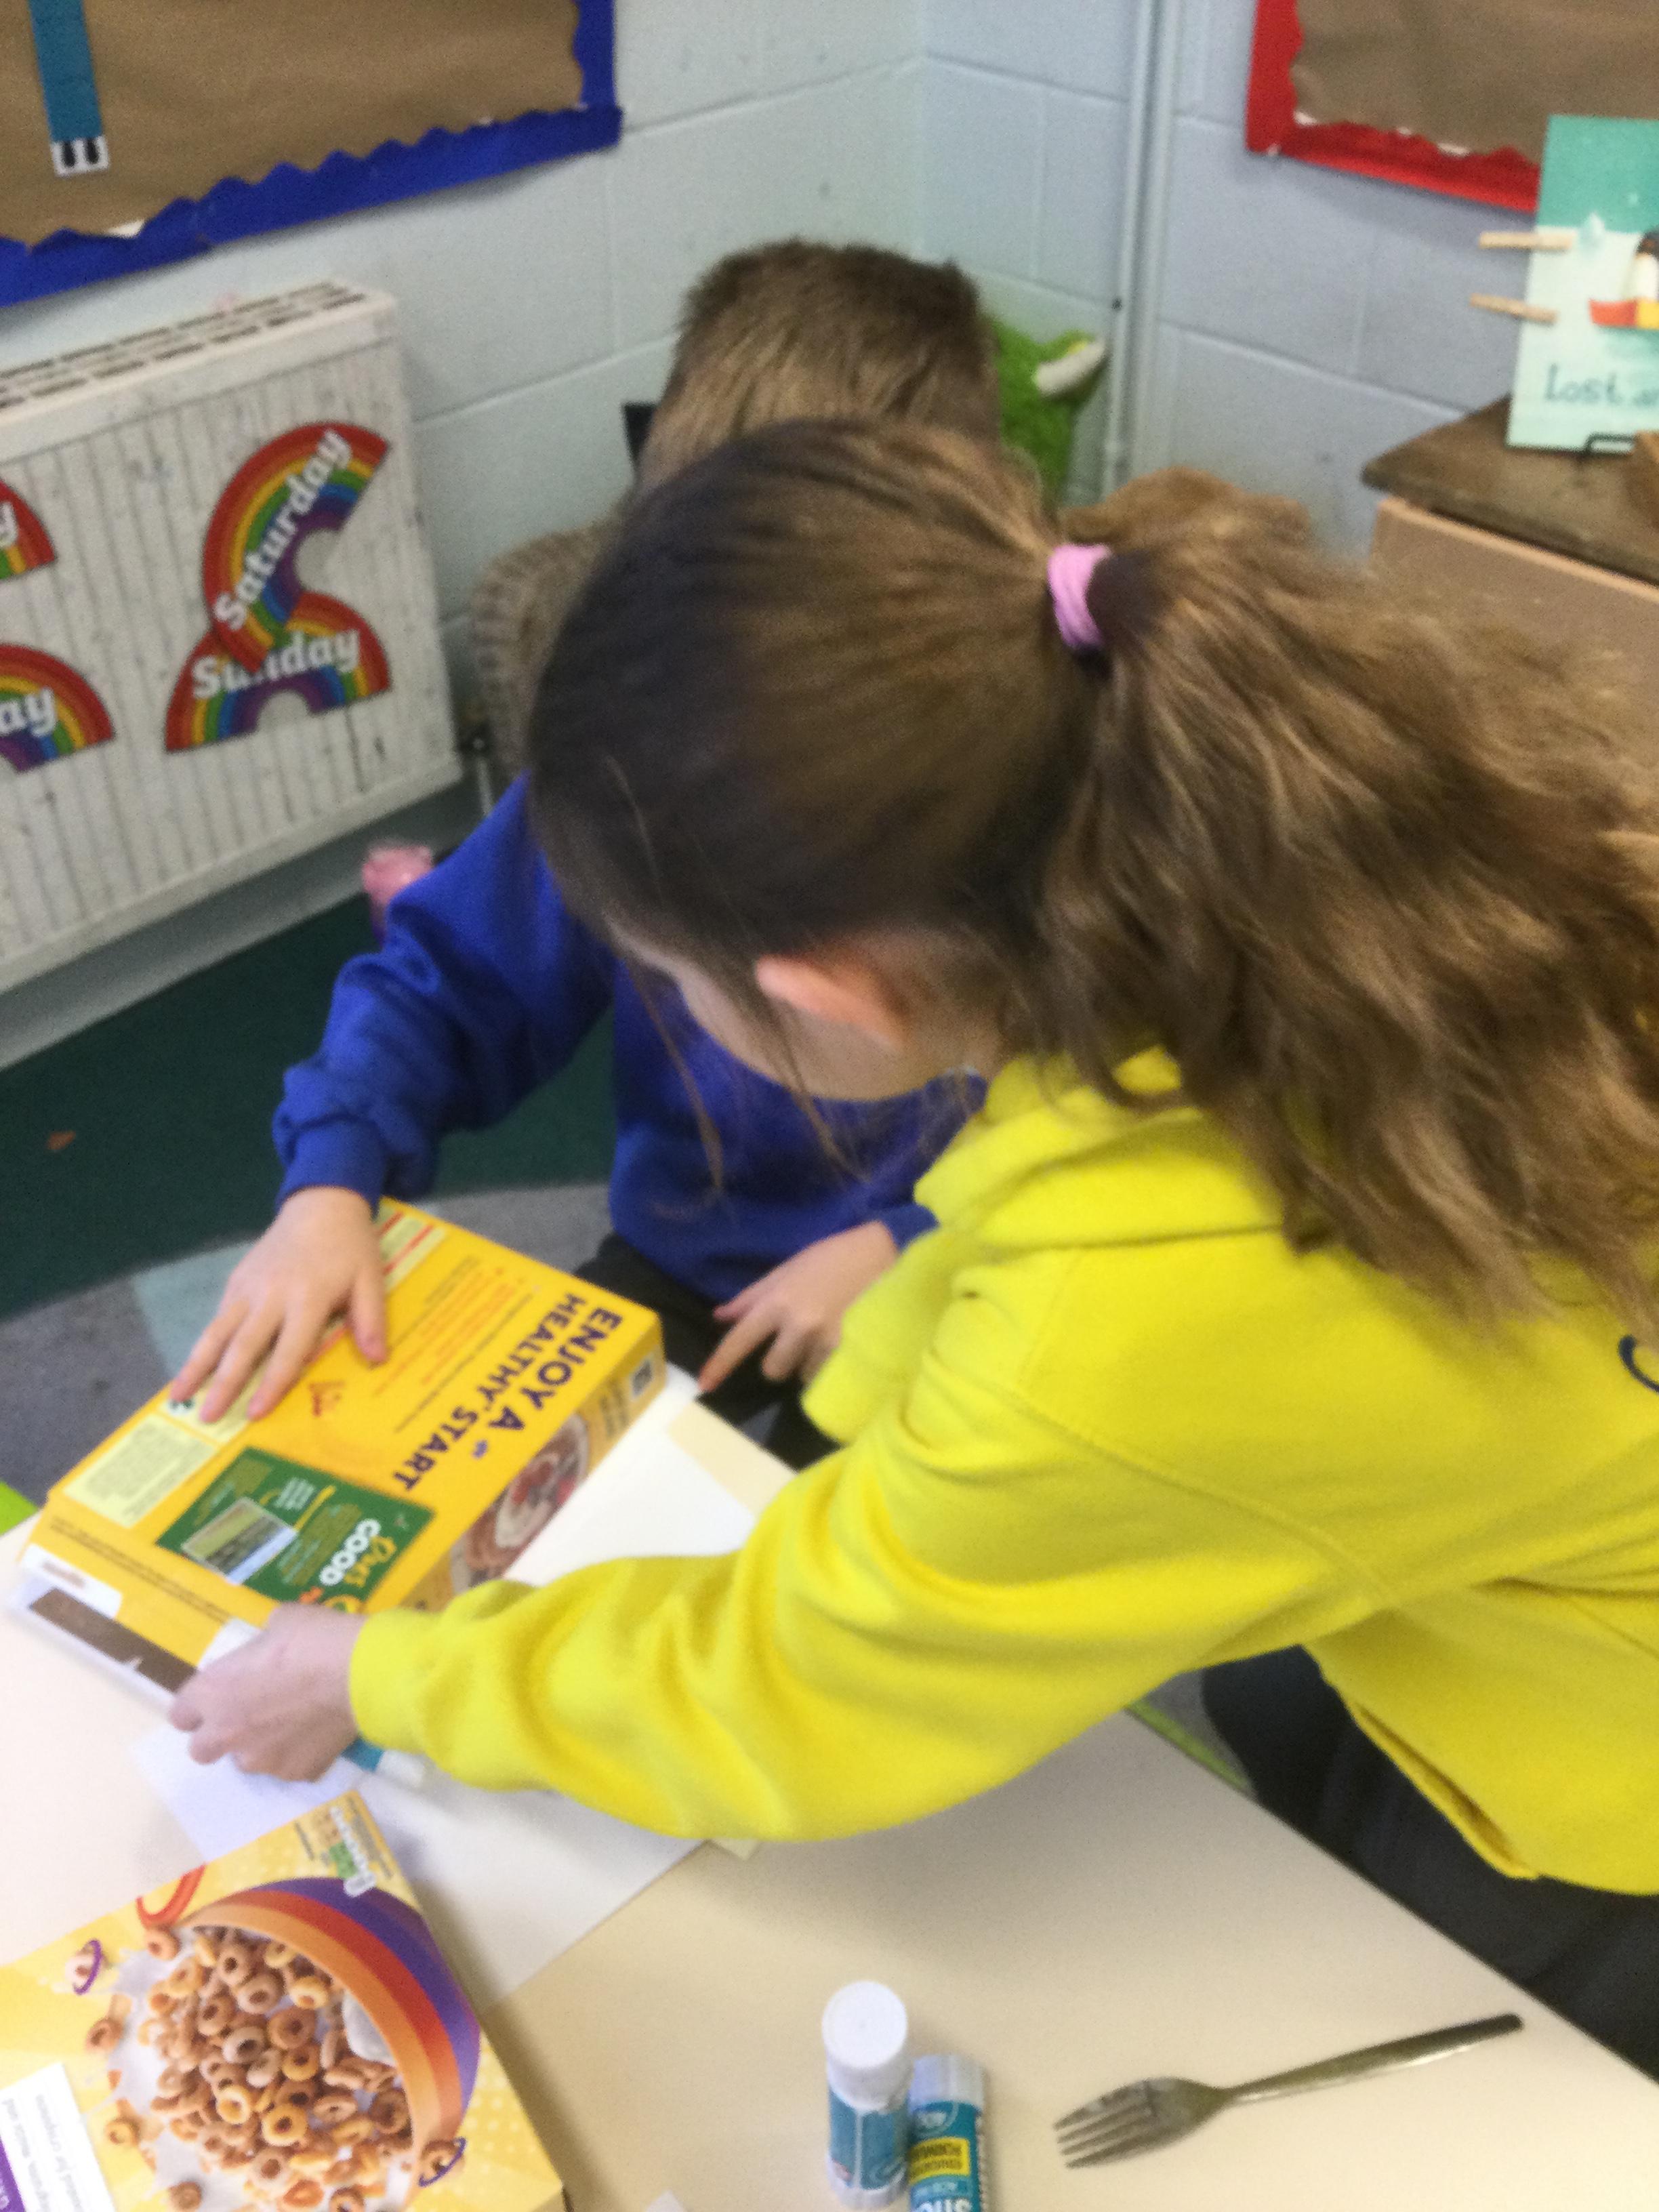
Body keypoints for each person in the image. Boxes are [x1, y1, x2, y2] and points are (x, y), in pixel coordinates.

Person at [172, 421, 1659, 2075]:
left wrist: (383, 1678)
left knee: (1468, 2057)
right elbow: (1085, 1221)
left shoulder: (1122, 1334)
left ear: (829, 993)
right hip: (1513, 1534)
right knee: (1296, 1753)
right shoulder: (1292, 848)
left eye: (673, 980)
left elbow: (788, 1688)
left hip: (1616, 1765)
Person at [171, 243, 1000, 1469]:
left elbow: (1134, 1142)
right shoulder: (630, 765)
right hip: (687, 1257)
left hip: (965, 1285)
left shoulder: (1017, 795)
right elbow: (447, 985)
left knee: (840, 1547)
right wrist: (331, 1184)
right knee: (527, 1502)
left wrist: (910, 1244)